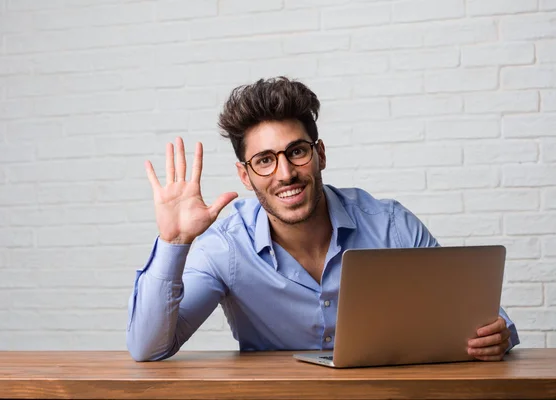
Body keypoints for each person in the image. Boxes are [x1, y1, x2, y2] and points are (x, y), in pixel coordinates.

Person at [126, 76, 519, 362]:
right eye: (264, 160)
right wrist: (174, 244)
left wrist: (497, 334)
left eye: (296, 151)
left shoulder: (390, 225)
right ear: (245, 176)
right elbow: (149, 347)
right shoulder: (226, 246)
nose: (285, 173)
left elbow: (478, 314)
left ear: (320, 156)